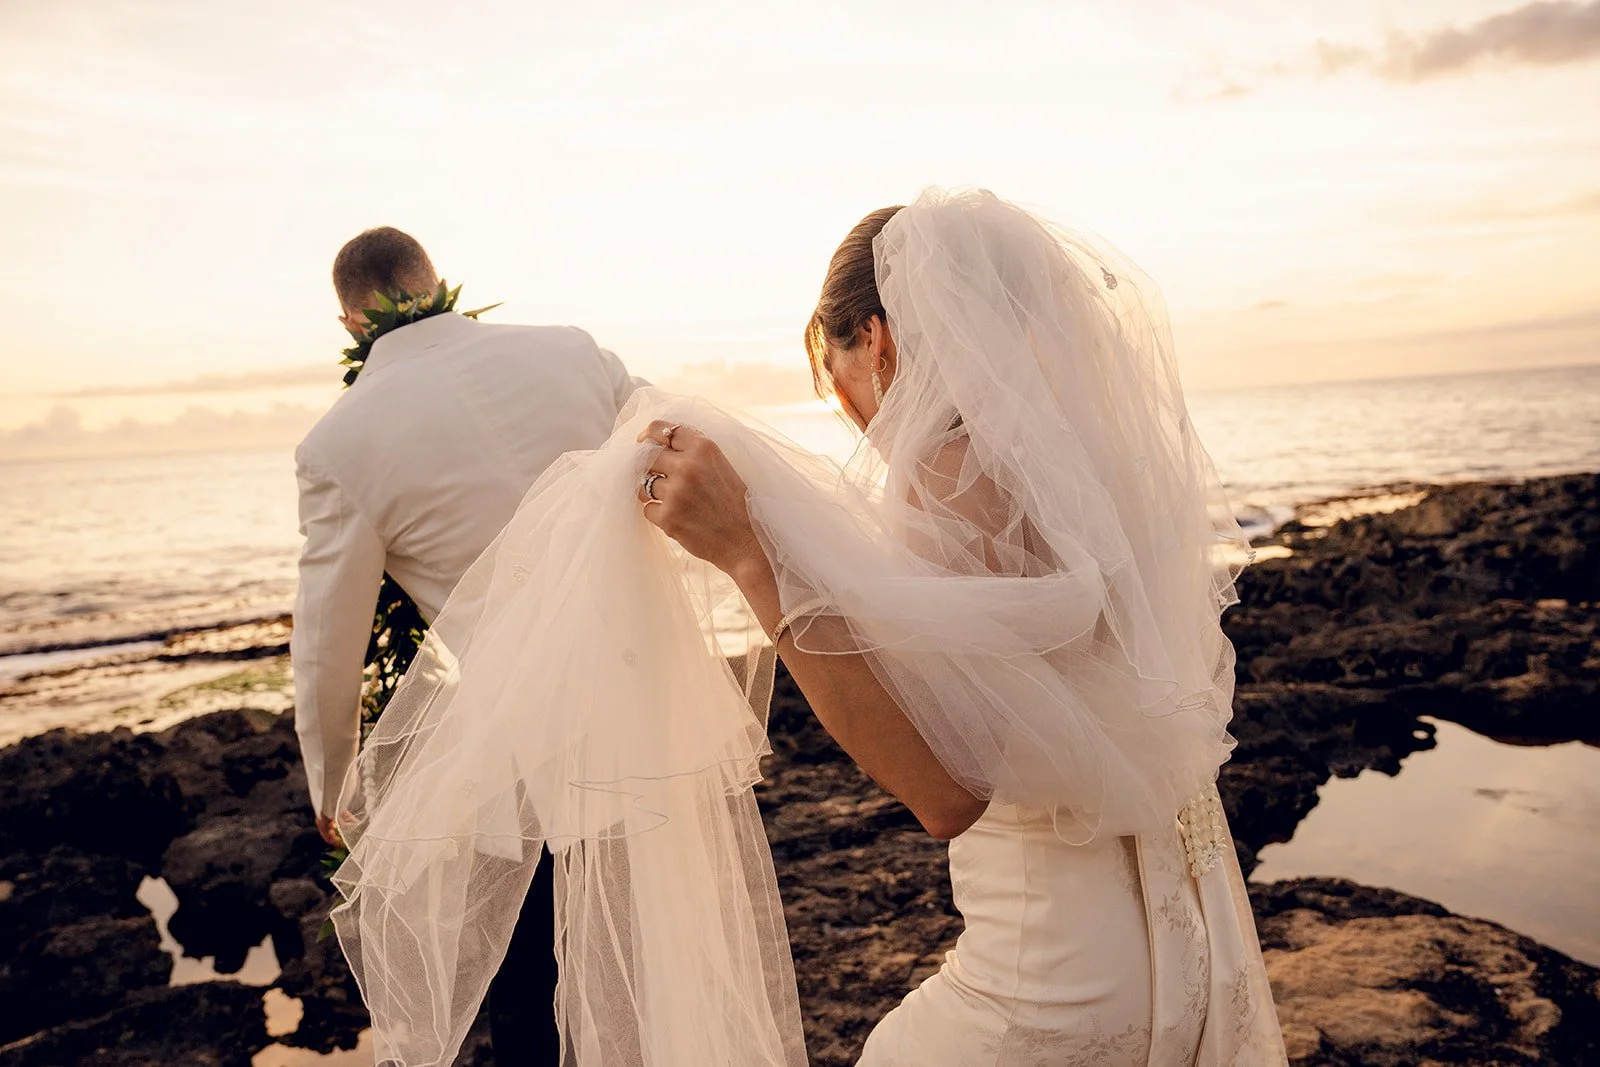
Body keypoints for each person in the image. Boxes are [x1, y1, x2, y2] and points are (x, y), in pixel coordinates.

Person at [330, 191, 1287, 1066]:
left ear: (878, 341)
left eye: (838, 378)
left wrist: (755, 561)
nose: (854, 415)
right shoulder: (1088, 473)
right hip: (1187, 927)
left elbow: (949, 793)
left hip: (1055, 967)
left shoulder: (946, 472)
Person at [291, 225, 643, 1064]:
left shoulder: (340, 442)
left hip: (515, 754)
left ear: (350, 324)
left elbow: (325, 644)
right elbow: (678, 451)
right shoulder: (574, 353)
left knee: (529, 985)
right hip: (647, 710)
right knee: (651, 960)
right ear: (437, 282)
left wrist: (333, 782)